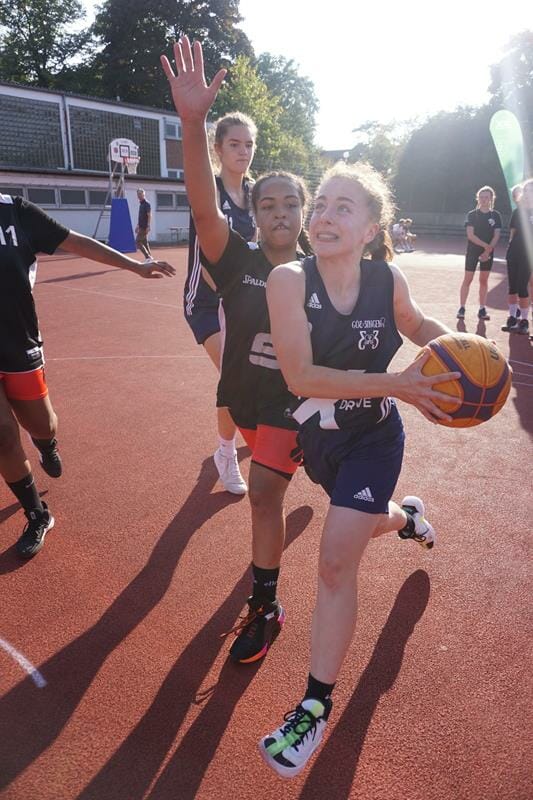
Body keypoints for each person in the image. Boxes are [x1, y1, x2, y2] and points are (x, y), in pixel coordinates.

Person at [261, 161, 460, 777]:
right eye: (321, 204)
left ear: (372, 229)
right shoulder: (288, 280)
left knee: (334, 562)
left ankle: (314, 706)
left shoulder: (386, 278)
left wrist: (465, 353)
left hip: (374, 439)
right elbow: (301, 376)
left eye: (342, 208)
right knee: (367, 521)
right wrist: (397, 383)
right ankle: (406, 520)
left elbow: (417, 326)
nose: (323, 216)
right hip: (321, 440)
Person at [162, 36, 315, 665]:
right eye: (267, 204)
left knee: (277, 498)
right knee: (271, 496)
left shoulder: (323, 274)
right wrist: (192, 124)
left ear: (305, 212)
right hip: (252, 402)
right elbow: (204, 211)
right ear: (252, 212)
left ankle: (266, 603)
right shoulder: (237, 260)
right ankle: (270, 598)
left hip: (306, 410)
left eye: (291, 203)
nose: (279, 212)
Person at [0, 192, 175, 558]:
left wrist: (135, 266)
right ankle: (38, 514)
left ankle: (46, 443)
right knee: (2, 437)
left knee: (42, 424)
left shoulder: (15, 211)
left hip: (18, 342)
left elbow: (76, 242)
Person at [183, 111, 257, 495]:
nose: (243, 151)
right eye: (234, 144)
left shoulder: (258, 194)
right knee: (235, 377)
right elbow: (210, 258)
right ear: (218, 149)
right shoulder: (207, 191)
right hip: (207, 301)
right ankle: (225, 453)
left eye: (249, 144)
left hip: (244, 303)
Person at [457, 186, 502, 321]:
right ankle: (462, 307)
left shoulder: (495, 215)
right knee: (468, 279)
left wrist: (488, 251)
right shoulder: (472, 215)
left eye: (486, 197)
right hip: (473, 251)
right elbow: (470, 235)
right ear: (478, 198)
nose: (483, 200)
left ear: (491, 199)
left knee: (483, 280)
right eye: (481, 197)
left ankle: (482, 308)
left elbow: (496, 235)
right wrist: (486, 247)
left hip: (488, 252)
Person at [501, 180, 532, 335]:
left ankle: (524, 321)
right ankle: (512, 318)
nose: (529, 193)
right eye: (526, 190)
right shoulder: (517, 212)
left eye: (531, 190)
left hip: (529, 255)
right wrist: (510, 250)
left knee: (522, 287)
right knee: (512, 287)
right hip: (514, 252)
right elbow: (513, 235)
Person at [135, 188, 153, 260]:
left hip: (144, 227)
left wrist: (148, 226)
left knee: (138, 241)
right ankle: (150, 258)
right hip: (141, 226)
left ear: (143, 194)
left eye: (140, 194)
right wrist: (137, 225)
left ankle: (148, 257)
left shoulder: (147, 204)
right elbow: (141, 217)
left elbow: (149, 215)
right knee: (144, 242)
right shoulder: (141, 204)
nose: (139, 195)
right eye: (138, 194)